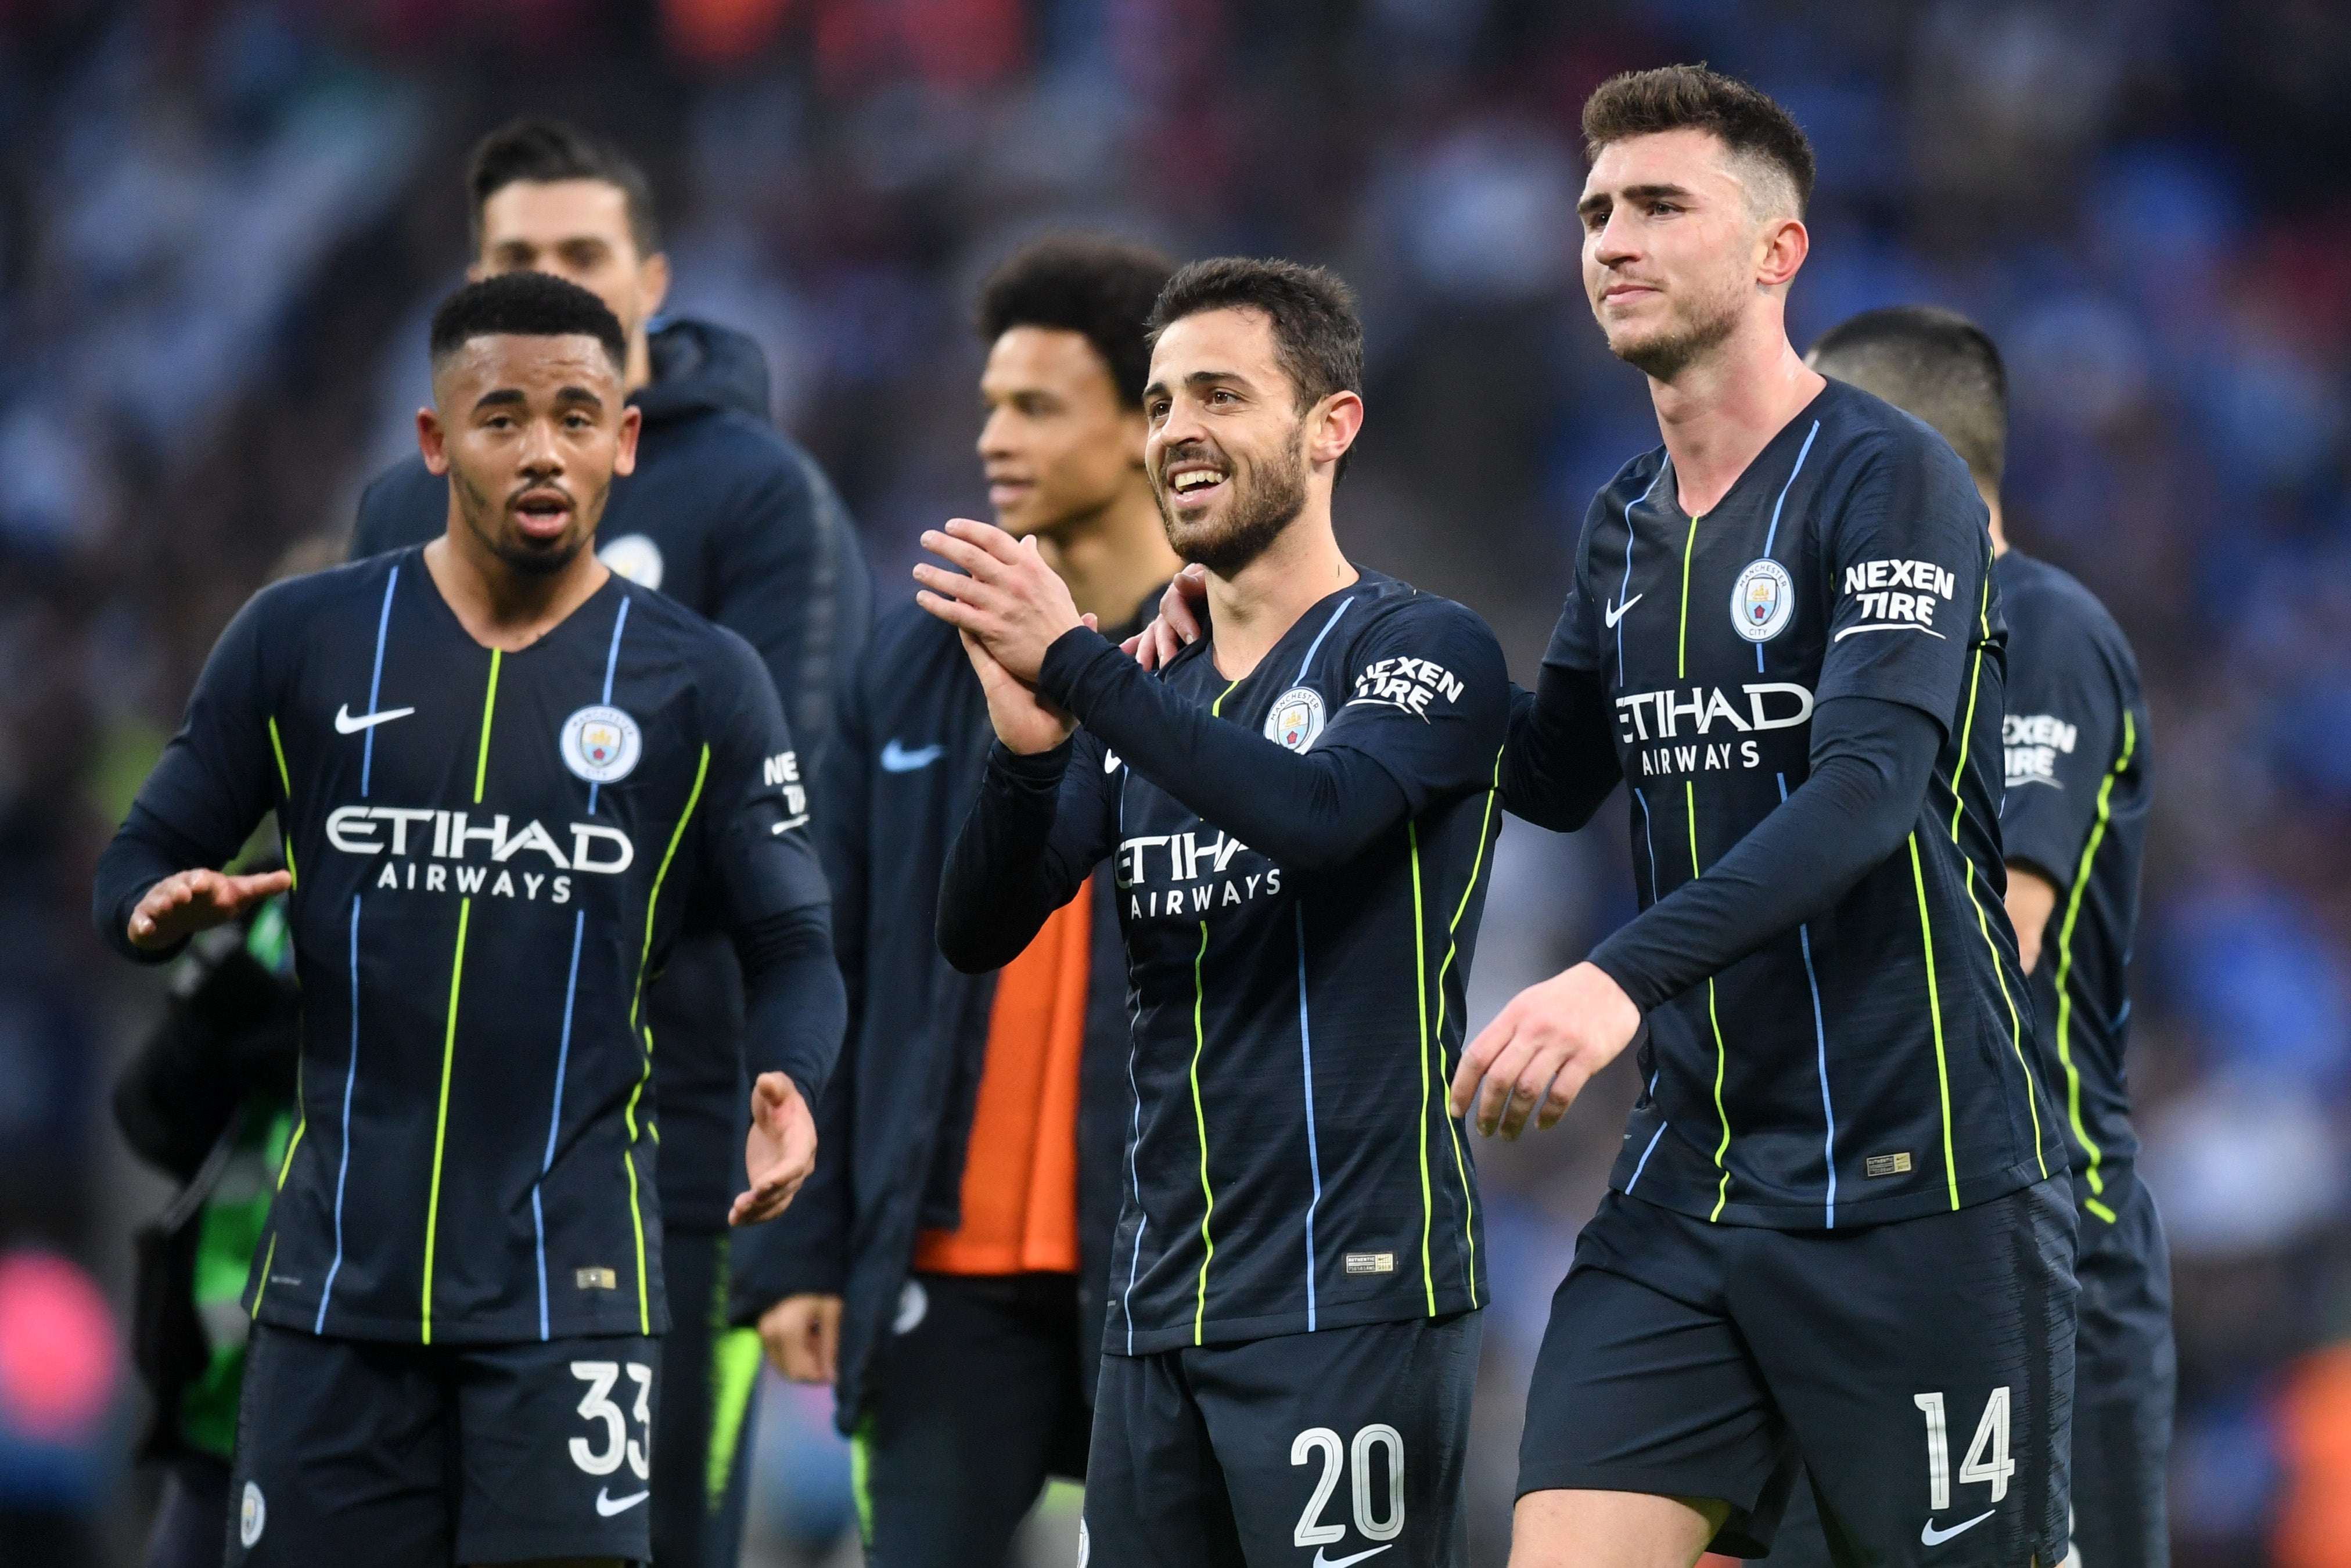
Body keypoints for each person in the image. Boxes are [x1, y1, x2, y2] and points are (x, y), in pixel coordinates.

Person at [94, 272, 846, 1566]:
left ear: (623, 438)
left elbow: (792, 944)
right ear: (437, 441)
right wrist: (159, 910)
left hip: (573, 1300)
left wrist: (790, 1079)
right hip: (334, 1297)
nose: (541, 448)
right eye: (501, 417)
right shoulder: (303, 640)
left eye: (574, 414)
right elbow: (143, 856)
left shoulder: (703, 682)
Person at [1451, 66, 2068, 1567]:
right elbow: (1551, 771)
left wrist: (1612, 975)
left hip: (1919, 1178)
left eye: (1660, 204)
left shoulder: (1890, 477)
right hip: (1695, 1179)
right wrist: (1351, 646)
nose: (1613, 238)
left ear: (1777, 252)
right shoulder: (1628, 518)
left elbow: (1864, 793)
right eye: (1595, 210)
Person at [923, 257, 1507, 1567]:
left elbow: (1314, 812)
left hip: (1352, 1296)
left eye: (1221, 395)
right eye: (1159, 399)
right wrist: (1028, 751)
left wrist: (1075, 664)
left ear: (1328, 427)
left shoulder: (1425, 648)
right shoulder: (1153, 689)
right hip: (1155, 1304)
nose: (1176, 427)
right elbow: (976, 929)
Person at [348, 117, 870, 1563]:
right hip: (413, 1141)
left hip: (660, 1140)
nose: (549, 284)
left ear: (649, 280)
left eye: (580, 257)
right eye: (516, 258)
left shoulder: (759, 496)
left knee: (643, 1540)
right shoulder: (399, 508)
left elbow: (781, 820)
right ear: (469, 278)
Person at [736, 236, 1180, 1567]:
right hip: (944, 1263)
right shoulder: (912, 665)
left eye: (1037, 405)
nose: (994, 435)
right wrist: (803, 1248)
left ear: (1144, 424)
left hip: (1163, 1260)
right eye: (989, 402)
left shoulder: (1236, 661)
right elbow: (831, 954)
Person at [1758, 308, 2163, 1567]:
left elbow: (2008, 931)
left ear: (1899, 454)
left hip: (2046, 1244)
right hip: (1873, 1244)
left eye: (1814, 441)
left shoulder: (2031, 625)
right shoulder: (1872, 649)